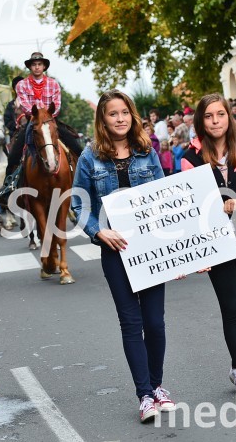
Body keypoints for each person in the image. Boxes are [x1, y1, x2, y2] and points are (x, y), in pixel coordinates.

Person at [71, 89, 173, 423]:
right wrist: (99, 231)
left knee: (155, 324)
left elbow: (165, 197)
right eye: (113, 114)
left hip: (150, 249)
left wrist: (181, 249)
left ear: (133, 116)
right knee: (131, 323)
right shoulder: (89, 157)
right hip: (115, 252)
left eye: (125, 112)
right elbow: (78, 205)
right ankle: (144, 395)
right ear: (103, 119)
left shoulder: (148, 152)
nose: (120, 119)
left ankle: (157, 385)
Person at [180, 93, 236, 405]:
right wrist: (197, 253)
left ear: (228, 117)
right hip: (213, 243)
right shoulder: (189, 158)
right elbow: (189, 207)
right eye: (208, 116)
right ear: (200, 122)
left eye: (220, 114)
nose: (215, 121)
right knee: (231, 309)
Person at [4, 52, 82, 178]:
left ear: (44, 66)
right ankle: (8, 185)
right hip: (33, 122)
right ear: (30, 67)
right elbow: (25, 106)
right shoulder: (21, 85)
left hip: (51, 120)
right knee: (14, 154)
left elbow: (56, 105)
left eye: (40, 64)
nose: (37, 67)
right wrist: (38, 115)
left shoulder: (54, 84)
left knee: (76, 147)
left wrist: (46, 115)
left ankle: (87, 177)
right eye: (34, 64)